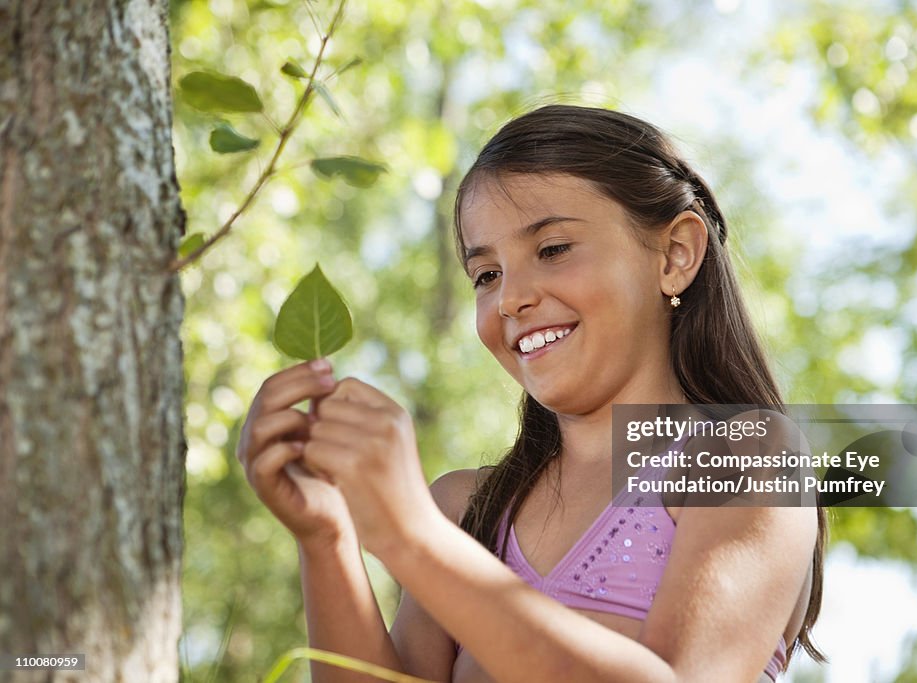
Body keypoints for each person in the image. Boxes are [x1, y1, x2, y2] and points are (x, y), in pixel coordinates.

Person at [237, 104, 827, 682]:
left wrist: (409, 536)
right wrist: (327, 536)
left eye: (552, 249)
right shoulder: (465, 510)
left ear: (675, 255)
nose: (510, 298)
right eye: (486, 275)